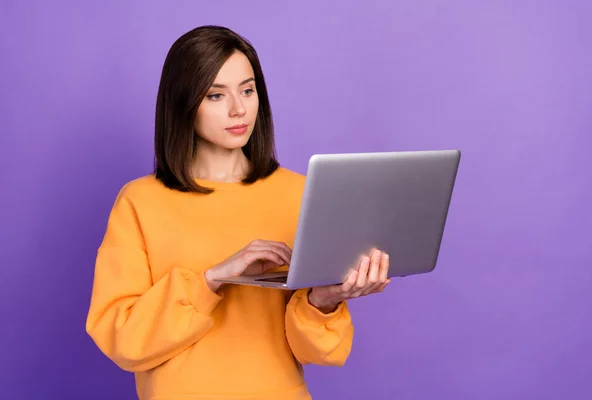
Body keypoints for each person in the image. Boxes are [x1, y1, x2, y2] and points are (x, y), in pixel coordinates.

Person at [85, 25, 391, 400]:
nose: (238, 109)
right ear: (184, 103)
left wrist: (323, 302)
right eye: (216, 95)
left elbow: (315, 352)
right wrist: (211, 280)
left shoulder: (299, 194)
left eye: (248, 90)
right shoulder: (139, 201)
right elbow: (121, 338)